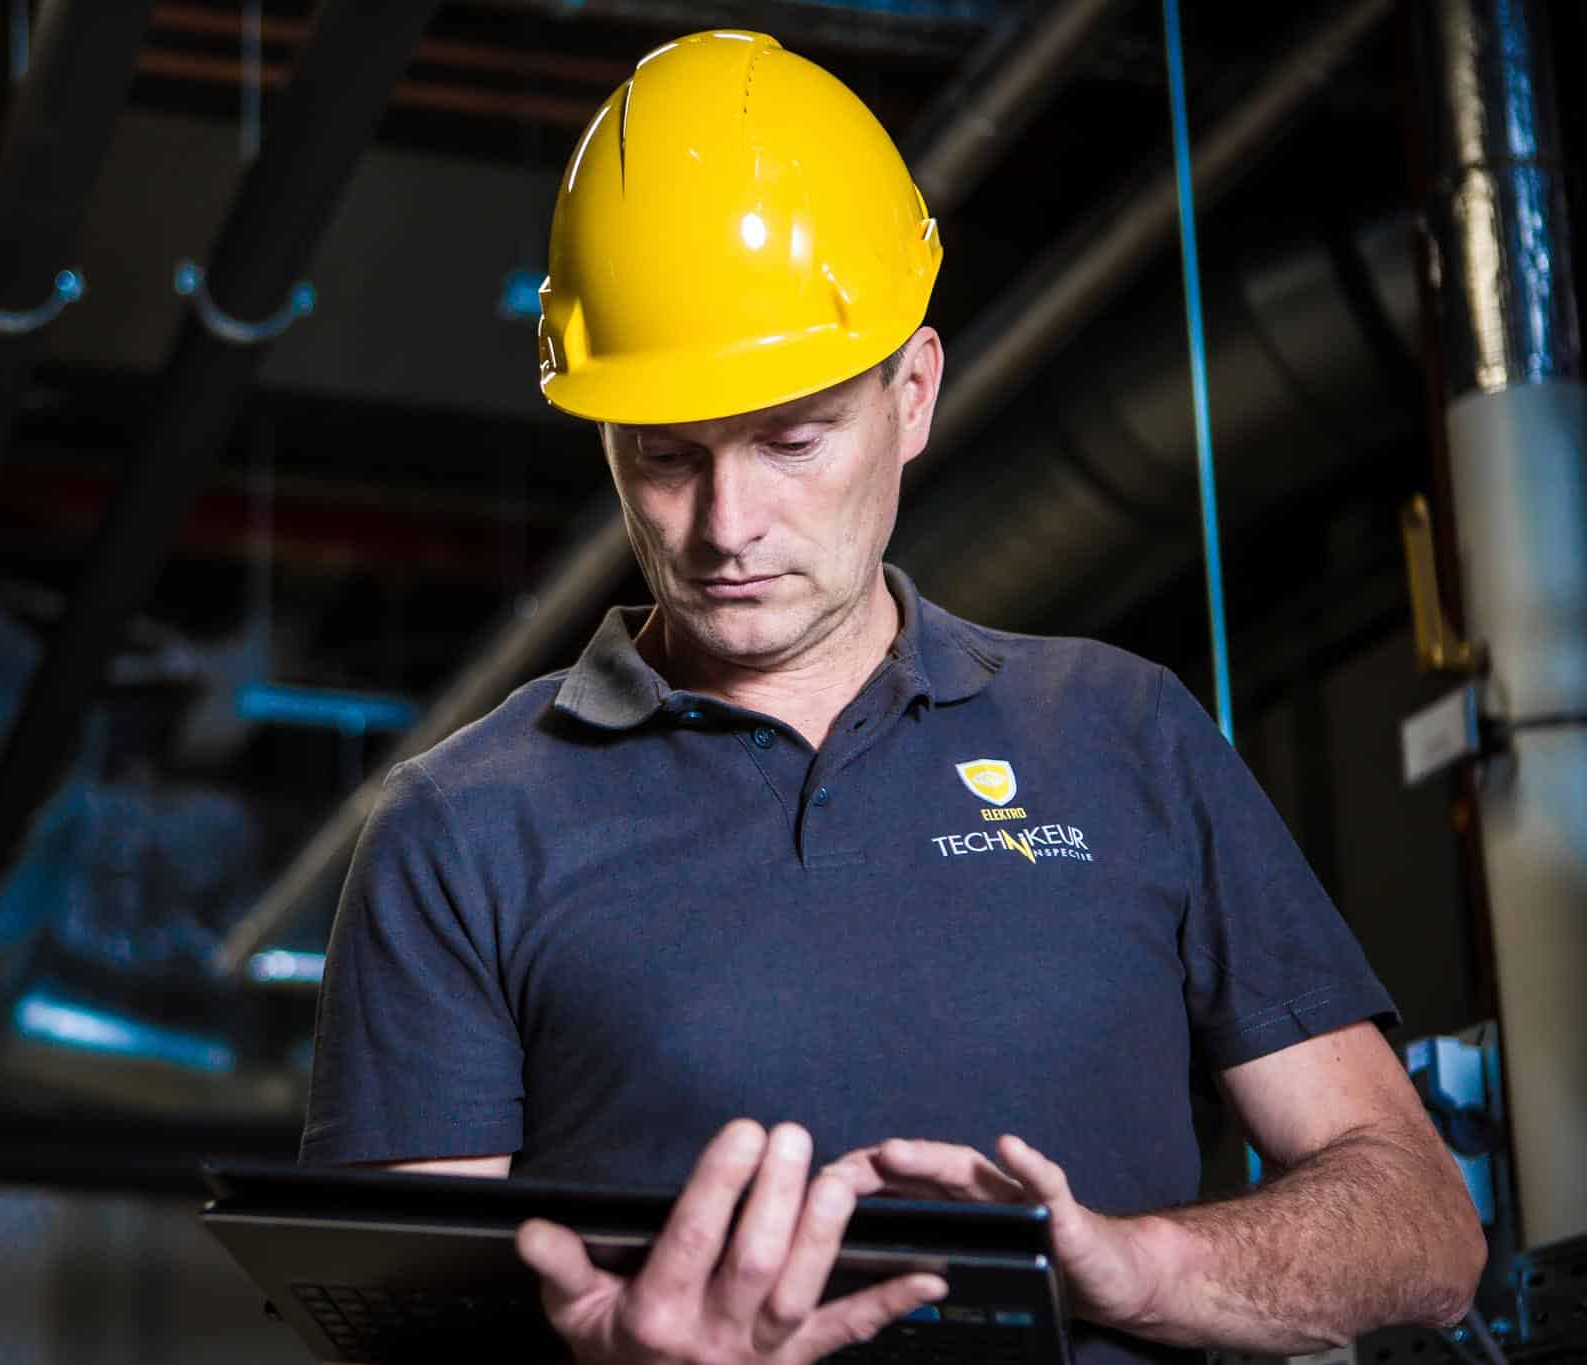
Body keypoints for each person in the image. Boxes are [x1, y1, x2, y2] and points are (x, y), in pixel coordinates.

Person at [299, 28, 1484, 1365]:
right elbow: (400, 1341)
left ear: (911, 395)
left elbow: (1426, 1229)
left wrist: (1140, 1261)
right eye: (668, 456)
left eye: (792, 440)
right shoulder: (462, 829)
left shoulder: (1125, 736)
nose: (726, 523)